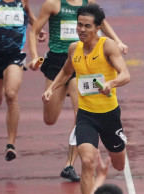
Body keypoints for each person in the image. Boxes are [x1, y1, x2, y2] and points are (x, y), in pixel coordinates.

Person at [28, 0, 128, 182]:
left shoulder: (105, 40)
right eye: (79, 25)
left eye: (86, 26)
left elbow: (125, 74)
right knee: (52, 121)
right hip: (80, 103)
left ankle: (74, 163)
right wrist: (49, 84)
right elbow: (65, 70)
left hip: (98, 96)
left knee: (118, 163)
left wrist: (111, 82)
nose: (81, 29)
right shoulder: (55, 9)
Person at [0, 0, 41, 161]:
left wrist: (38, 29)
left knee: (11, 94)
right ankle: (4, 79)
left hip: (15, 55)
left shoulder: (22, 0)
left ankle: (11, 144)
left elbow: (28, 14)